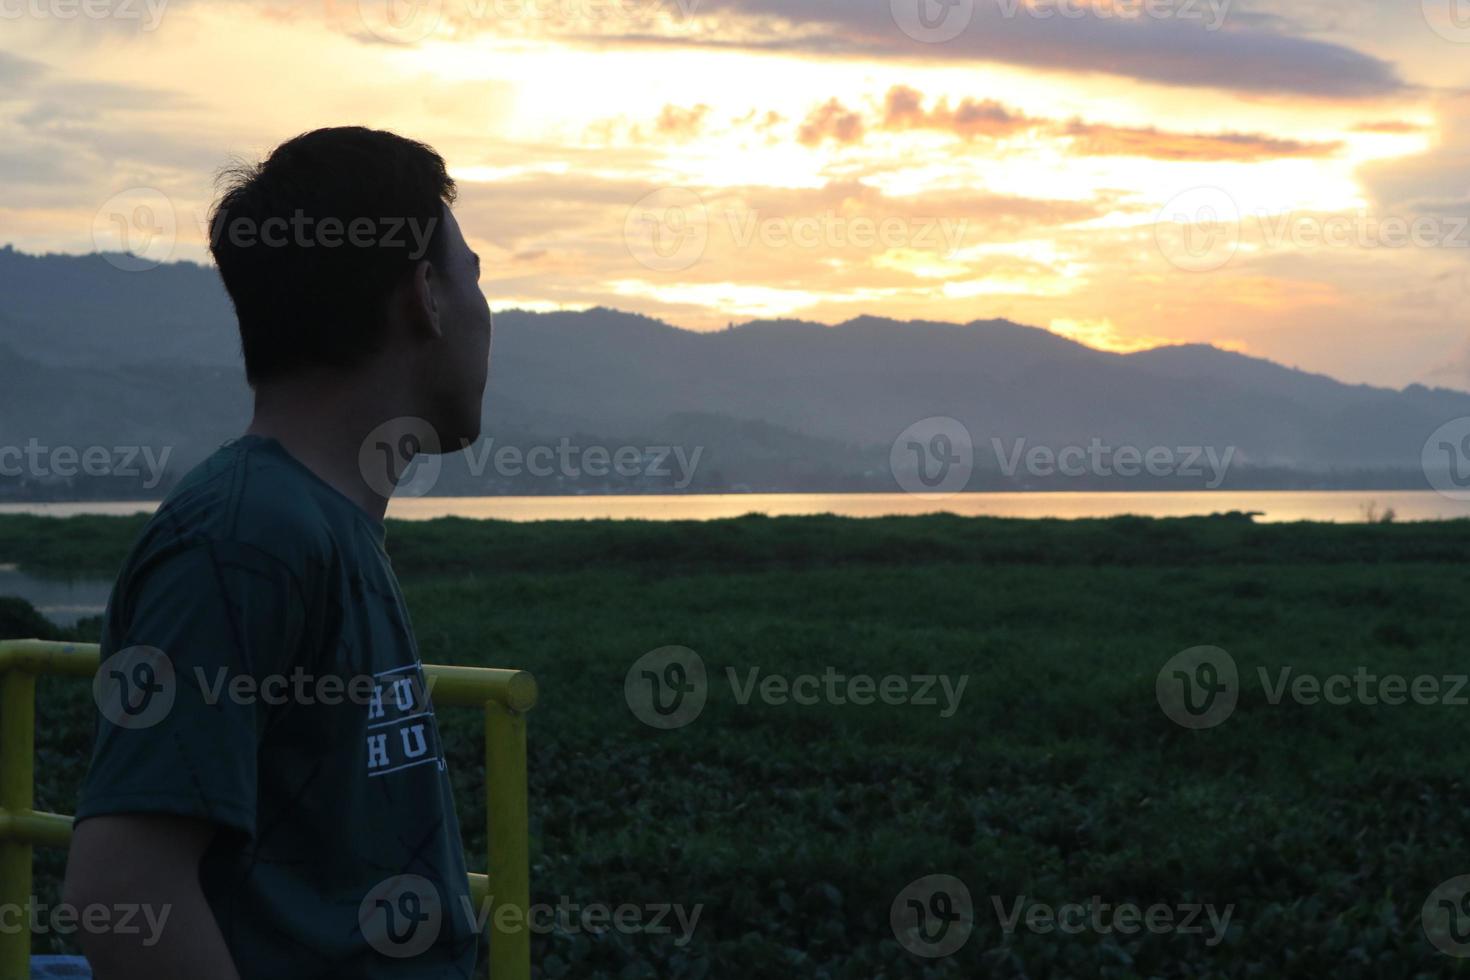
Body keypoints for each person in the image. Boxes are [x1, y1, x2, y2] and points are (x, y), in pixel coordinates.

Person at [62, 126, 493, 979]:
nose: (486, 313)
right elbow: (124, 891)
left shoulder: (315, 523)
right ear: (425, 298)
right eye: (473, 278)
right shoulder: (245, 537)